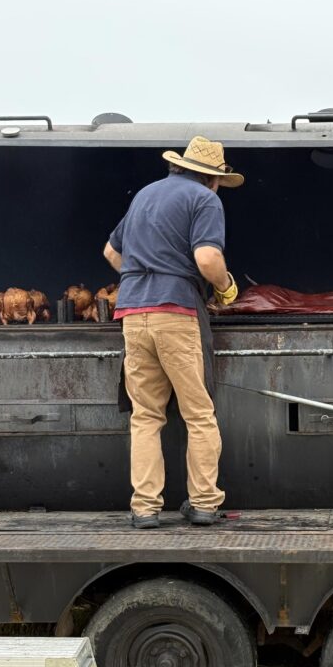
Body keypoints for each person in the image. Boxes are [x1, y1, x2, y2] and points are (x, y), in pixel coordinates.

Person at [103, 137, 242, 528]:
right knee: (198, 414)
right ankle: (203, 504)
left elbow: (111, 253)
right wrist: (225, 286)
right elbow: (207, 257)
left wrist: (142, 276)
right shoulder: (205, 200)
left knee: (146, 416)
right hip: (177, 313)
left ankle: (145, 509)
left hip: (132, 313)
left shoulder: (145, 195)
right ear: (212, 179)